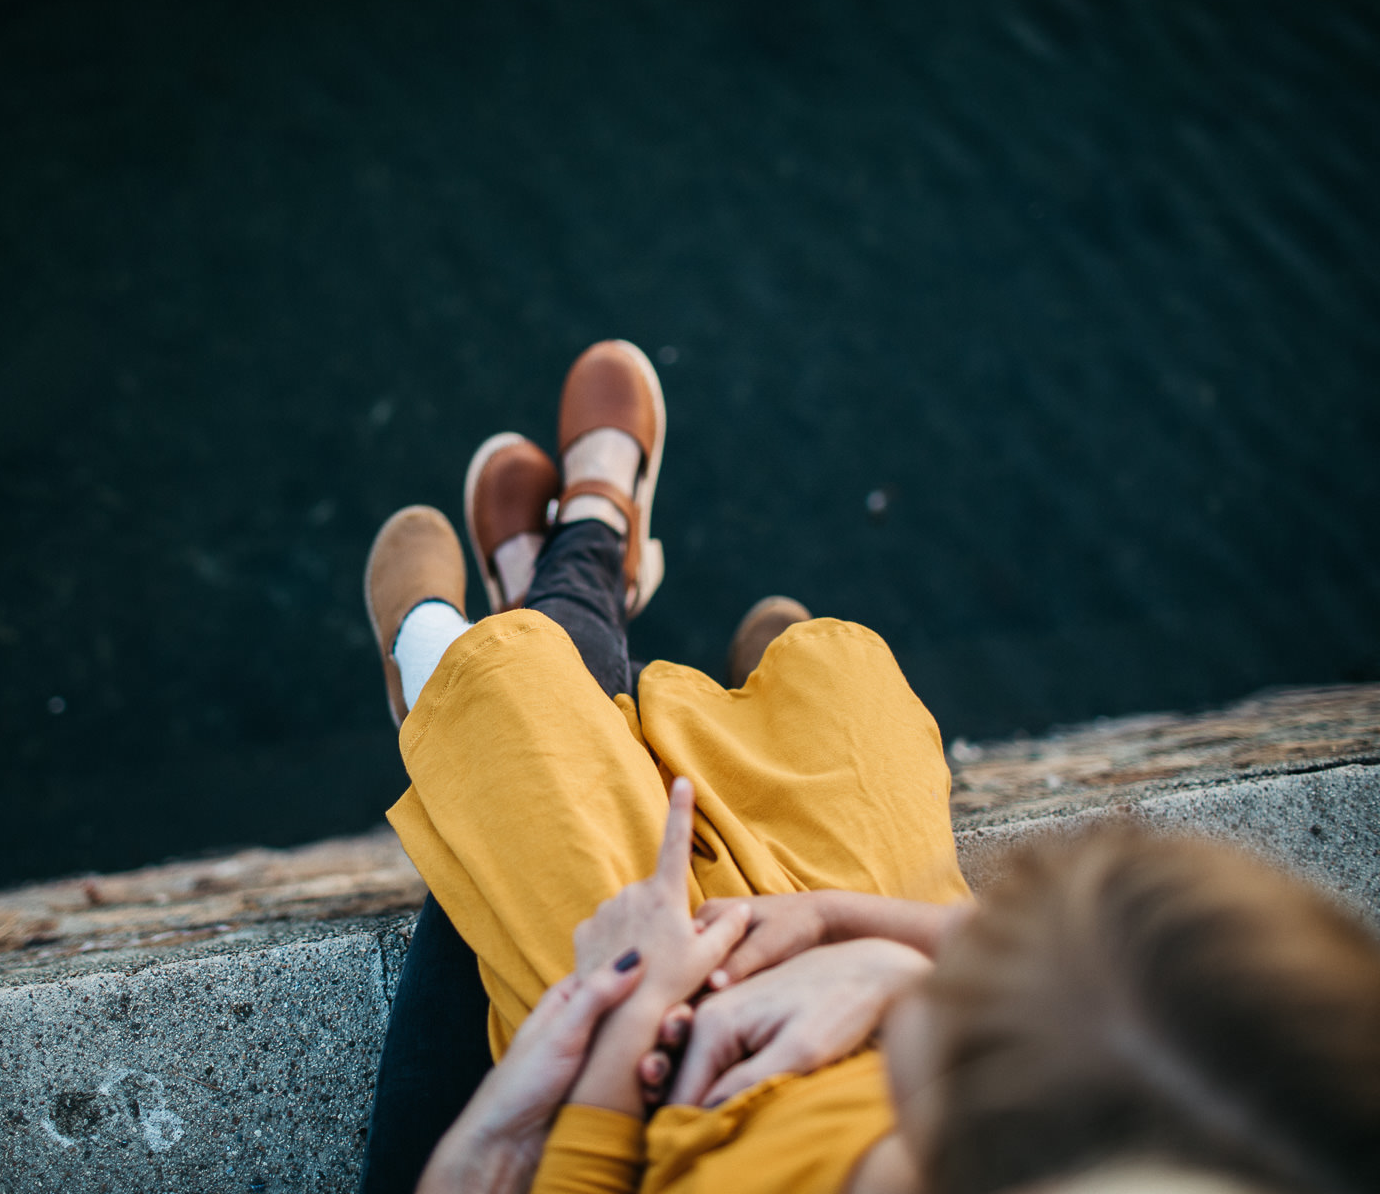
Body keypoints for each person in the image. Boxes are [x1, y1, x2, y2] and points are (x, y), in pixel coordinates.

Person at [357, 341, 1380, 1194]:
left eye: (947, 1022)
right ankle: (566, 586)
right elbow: (1059, 963)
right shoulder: (1163, 1123)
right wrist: (868, 942)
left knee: (525, 725)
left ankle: (537, 591)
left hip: (647, 1083)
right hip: (802, 952)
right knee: (856, 697)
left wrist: (623, 1035)